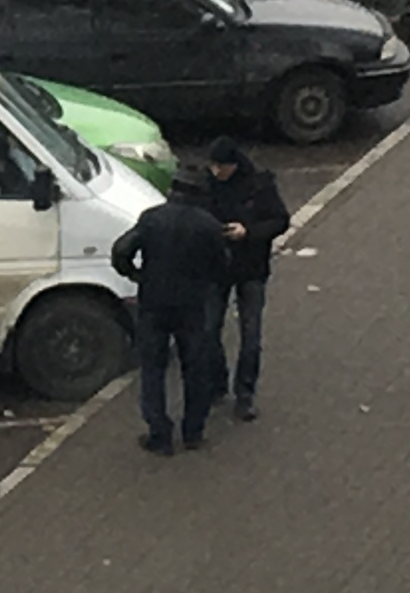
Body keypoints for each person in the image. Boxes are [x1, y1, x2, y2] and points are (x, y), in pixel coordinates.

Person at [112, 168, 228, 456]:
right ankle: (193, 432)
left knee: (153, 369)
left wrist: (135, 275)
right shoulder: (208, 225)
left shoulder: (152, 218)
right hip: (191, 306)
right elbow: (223, 265)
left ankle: (159, 434)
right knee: (195, 369)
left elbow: (121, 250)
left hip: (153, 303)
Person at [203, 136, 290, 422]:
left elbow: (279, 220)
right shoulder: (206, 185)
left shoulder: (259, 185)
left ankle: (245, 394)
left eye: (221, 167)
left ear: (234, 165)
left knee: (250, 335)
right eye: (213, 166)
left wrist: (248, 232)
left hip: (251, 268)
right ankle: (217, 383)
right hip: (218, 268)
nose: (217, 172)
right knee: (209, 328)